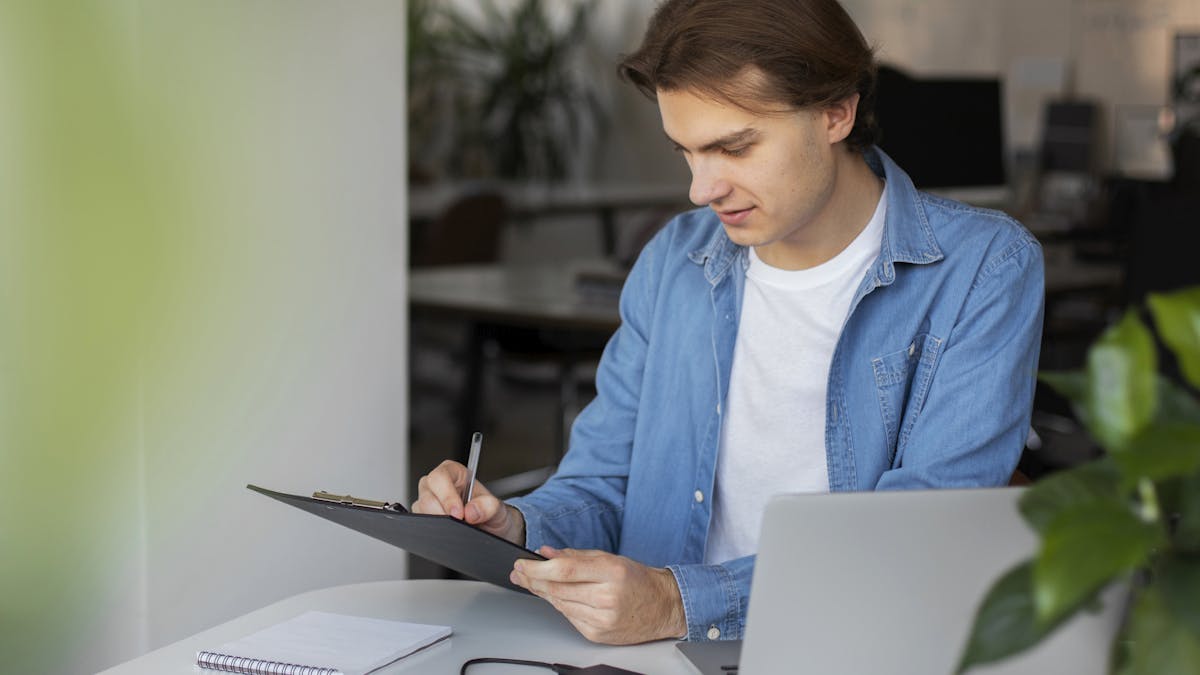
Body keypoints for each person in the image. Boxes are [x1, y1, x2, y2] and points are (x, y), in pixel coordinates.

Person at [413, 0, 1044, 646]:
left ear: (836, 111)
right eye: (687, 151)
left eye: (733, 147)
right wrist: (515, 526)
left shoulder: (985, 269)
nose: (701, 188)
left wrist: (677, 601)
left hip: (856, 647)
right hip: (655, 656)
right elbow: (602, 484)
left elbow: (917, 534)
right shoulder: (673, 261)